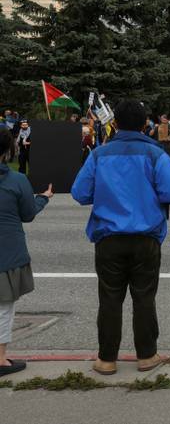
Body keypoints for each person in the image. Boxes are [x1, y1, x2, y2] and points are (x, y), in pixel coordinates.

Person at [71, 100, 170, 376]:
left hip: (109, 237)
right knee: (144, 297)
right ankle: (146, 355)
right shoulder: (155, 154)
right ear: (145, 124)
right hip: (146, 236)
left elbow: (80, 193)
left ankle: (107, 359)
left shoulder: (99, 154)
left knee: (109, 298)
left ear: (115, 123)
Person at [0, 126, 52, 377]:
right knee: (3, 308)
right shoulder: (16, 181)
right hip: (6, 255)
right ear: (8, 150)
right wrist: (44, 197)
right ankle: (0, 359)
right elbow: (28, 214)